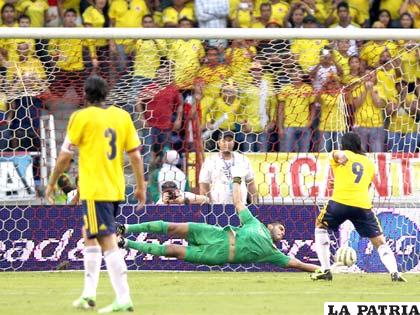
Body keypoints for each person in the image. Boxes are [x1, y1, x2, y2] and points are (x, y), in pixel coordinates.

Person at [45, 75, 146, 312]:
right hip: (114, 188)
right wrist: (140, 186)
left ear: (85, 94)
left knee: (107, 239)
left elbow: (64, 156)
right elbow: (135, 155)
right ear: (106, 93)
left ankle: (123, 297)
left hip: (96, 190)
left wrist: (52, 183)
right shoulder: (121, 116)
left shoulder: (81, 117)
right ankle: (88, 294)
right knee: (89, 234)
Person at [117, 165, 320, 273]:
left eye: (283, 233)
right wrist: (236, 180)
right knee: (173, 227)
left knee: (174, 251)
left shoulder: (273, 253)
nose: (282, 233)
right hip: (215, 233)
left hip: (218, 255)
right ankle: (126, 227)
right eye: (281, 228)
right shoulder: (254, 223)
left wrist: (322, 269)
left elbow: (299, 264)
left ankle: (125, 242)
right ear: (270, 226)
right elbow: (239, 202)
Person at [311, 132, 406, 282]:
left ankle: (325, 269)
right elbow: (365, 185)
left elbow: (335, 154)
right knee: (379, 241)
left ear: (343, 145)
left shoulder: (342, 154)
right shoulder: (368, 163)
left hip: (340, 203)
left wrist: (339, 155)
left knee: (320, 226)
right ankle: (395, 273)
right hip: (362, 205)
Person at [199, 131, 258, 205]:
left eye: (229, 140)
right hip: (218, 207)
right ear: (218, 143)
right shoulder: (210, 161)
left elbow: (251, 183)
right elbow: (204, 185)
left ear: (233, 142)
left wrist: (255, 206)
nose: (227, 143)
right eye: (223, 141)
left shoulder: (243, 159)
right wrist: (208, 208)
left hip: (242, 207)